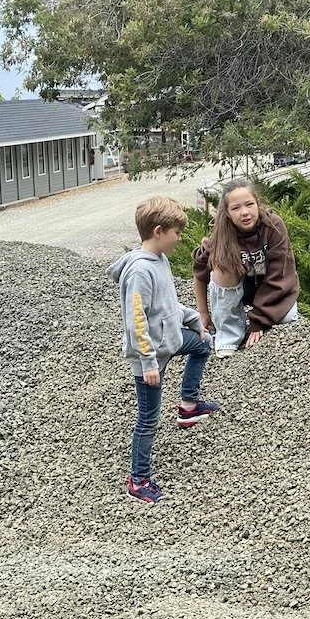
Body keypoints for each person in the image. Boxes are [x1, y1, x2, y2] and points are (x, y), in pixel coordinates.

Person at [107, 196, 221, 504]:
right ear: (159, 231)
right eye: (176, 232)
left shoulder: (161, 260)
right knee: (148, 418)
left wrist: (196, 321)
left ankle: (189, 404)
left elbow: (167, 306)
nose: (179, 238)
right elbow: (136, 320)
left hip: (170, 340)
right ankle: (138, 479)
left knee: (203, 344)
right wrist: (147, 363)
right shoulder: (140, 272)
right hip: (150, 357)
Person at [192, 178, 301, 358]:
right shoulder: (220, 235)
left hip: (269, 286)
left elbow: (282, 273)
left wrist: (258, 320)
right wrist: (202, 313)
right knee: (221, 267)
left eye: (249, 204)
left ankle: (263, 315)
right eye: (236, 208)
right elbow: (200, 273)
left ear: (257, 203)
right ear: (226, 212)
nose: (245, 212)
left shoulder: (273, 226)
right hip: (239, 288)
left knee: (287, 318)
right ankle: (229, 333)